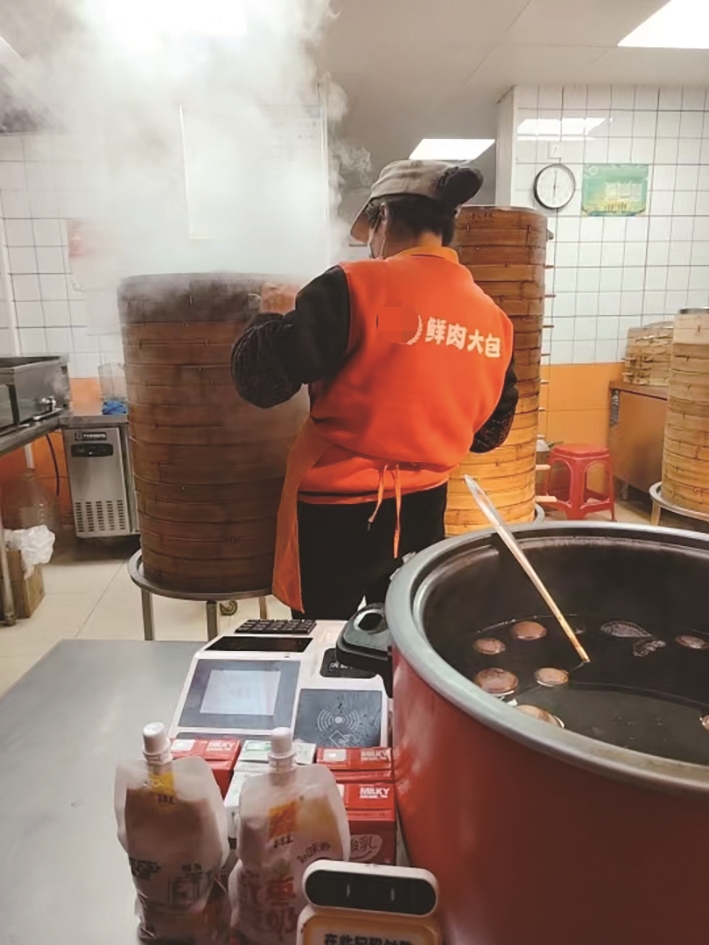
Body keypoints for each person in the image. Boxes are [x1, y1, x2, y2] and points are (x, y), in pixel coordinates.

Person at [232, 159, 518, 619]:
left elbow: (259, 382)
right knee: (401, 633)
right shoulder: (492, 318)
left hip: (333, 514)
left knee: (325, 640)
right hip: (423, 507)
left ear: (383, 216)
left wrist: (274, 314)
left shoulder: (351, 285)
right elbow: (489, 434)